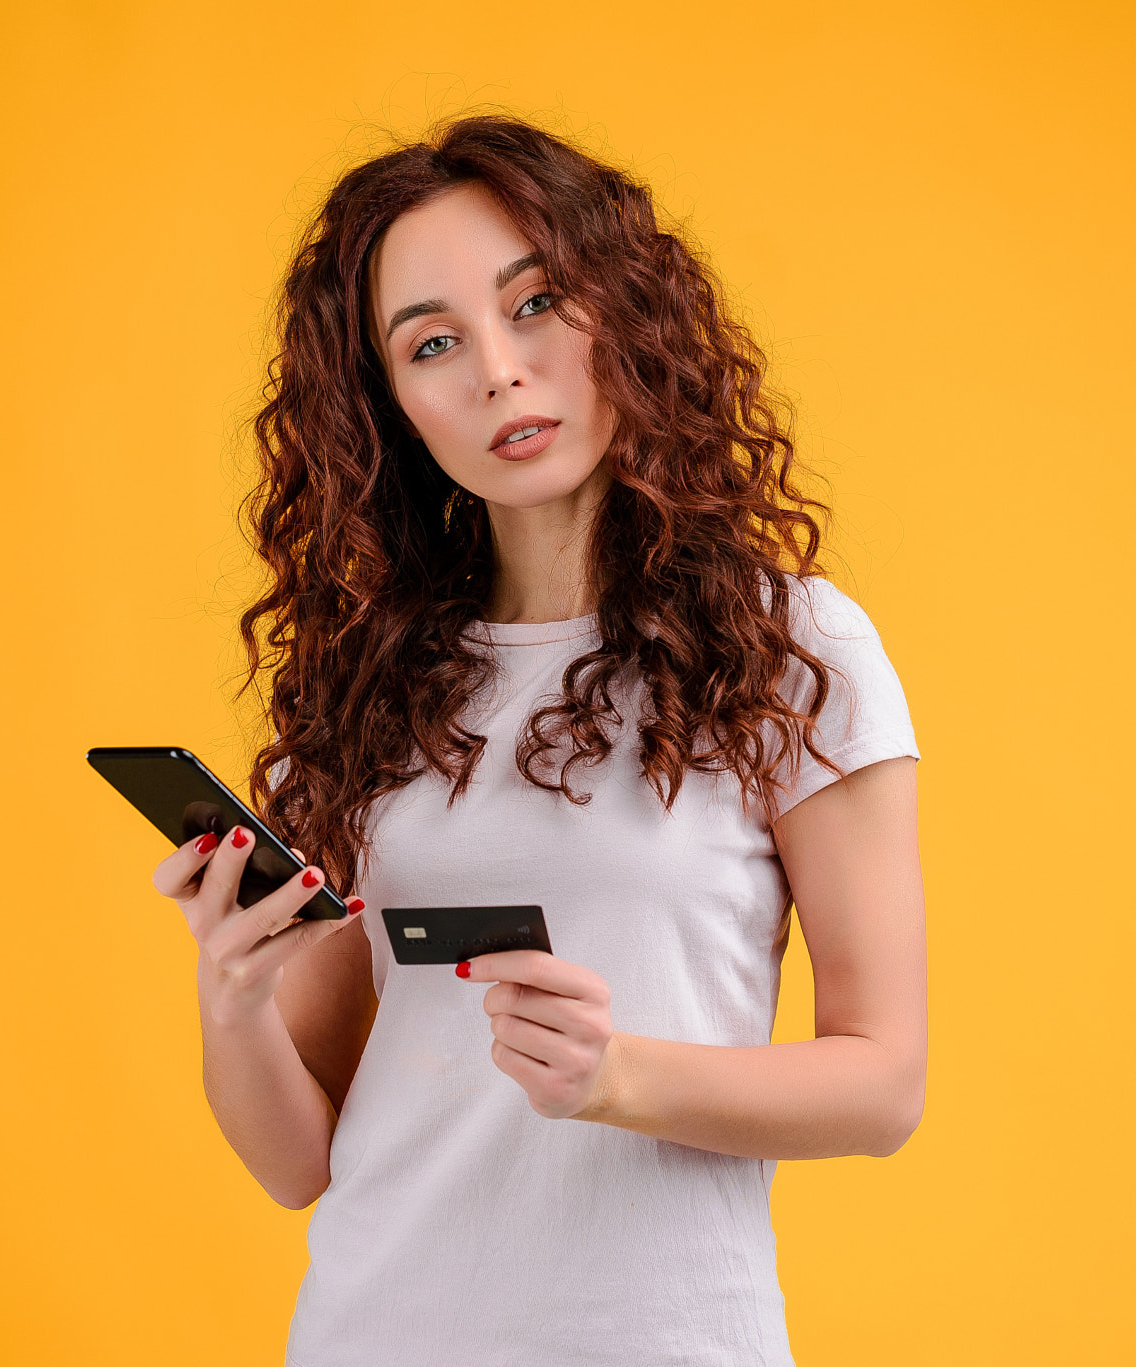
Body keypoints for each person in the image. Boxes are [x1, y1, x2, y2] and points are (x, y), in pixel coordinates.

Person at [148, 115, 927, 1366]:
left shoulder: (791, 648)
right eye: (433, 343)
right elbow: (299, 1162)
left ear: (624, 309)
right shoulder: (363, 692)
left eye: (537, 303)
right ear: (389, 405)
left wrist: (614, 1076)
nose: (497, 372)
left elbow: (881, 1083)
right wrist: (231, 998)